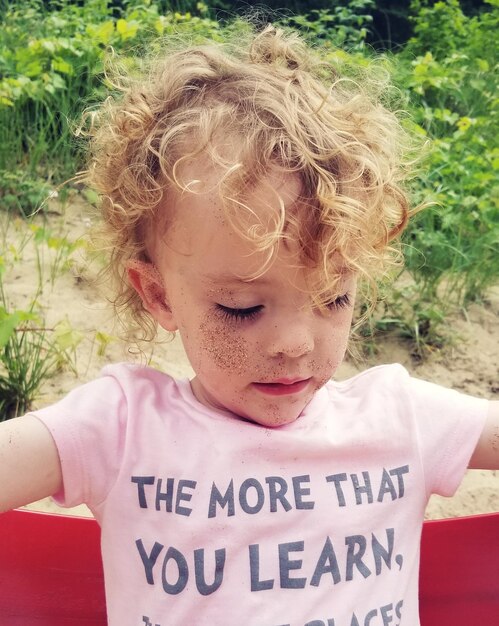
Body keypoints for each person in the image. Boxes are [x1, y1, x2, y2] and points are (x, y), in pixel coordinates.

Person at [0, 23, 497, 626]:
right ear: (158, 295)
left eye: (334, 298)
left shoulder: (401, 418)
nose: (294, 344)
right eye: (241, 307)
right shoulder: (120, 428)